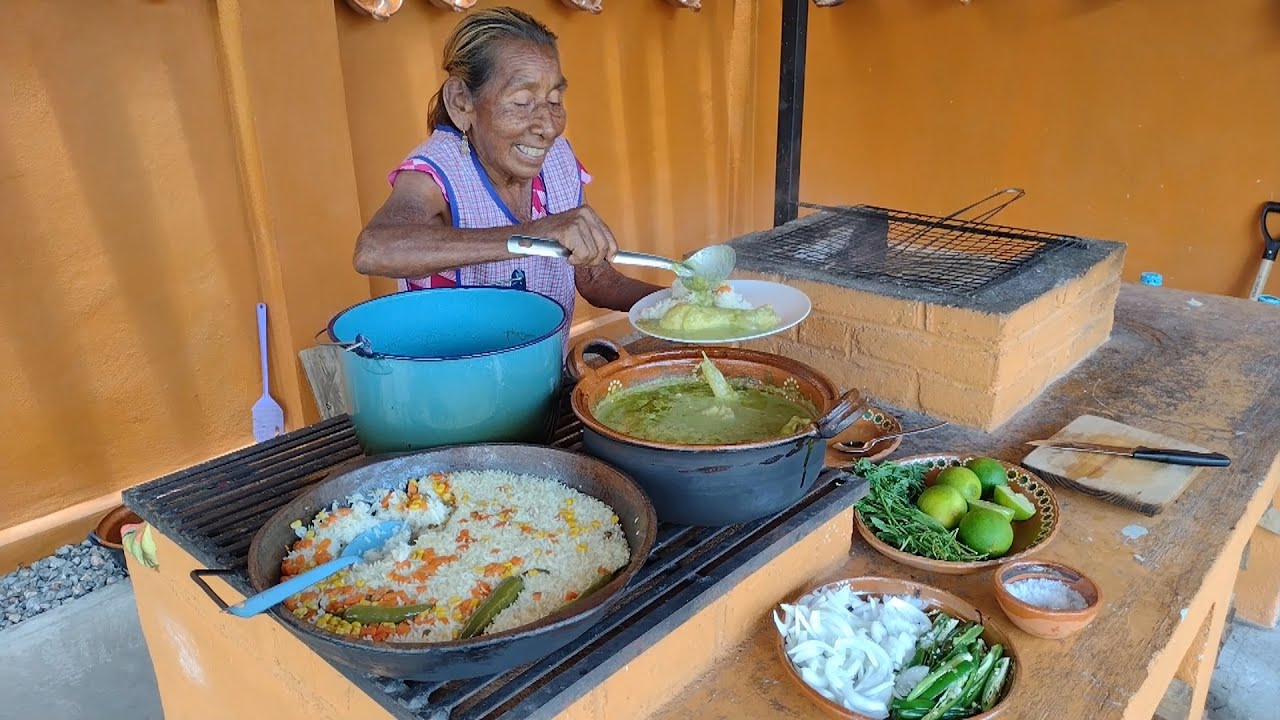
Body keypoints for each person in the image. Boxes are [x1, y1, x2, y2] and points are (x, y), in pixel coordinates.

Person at [353, 6, 664, 340]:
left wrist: (679, 302)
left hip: (544, 369)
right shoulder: (438, 172)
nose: (548, 127)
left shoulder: (557, 160)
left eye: (554, 100)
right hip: (455, 374)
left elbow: (595, 278)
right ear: (462, 102)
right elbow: (374, 249)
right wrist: (530, 236)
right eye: (521, 101)